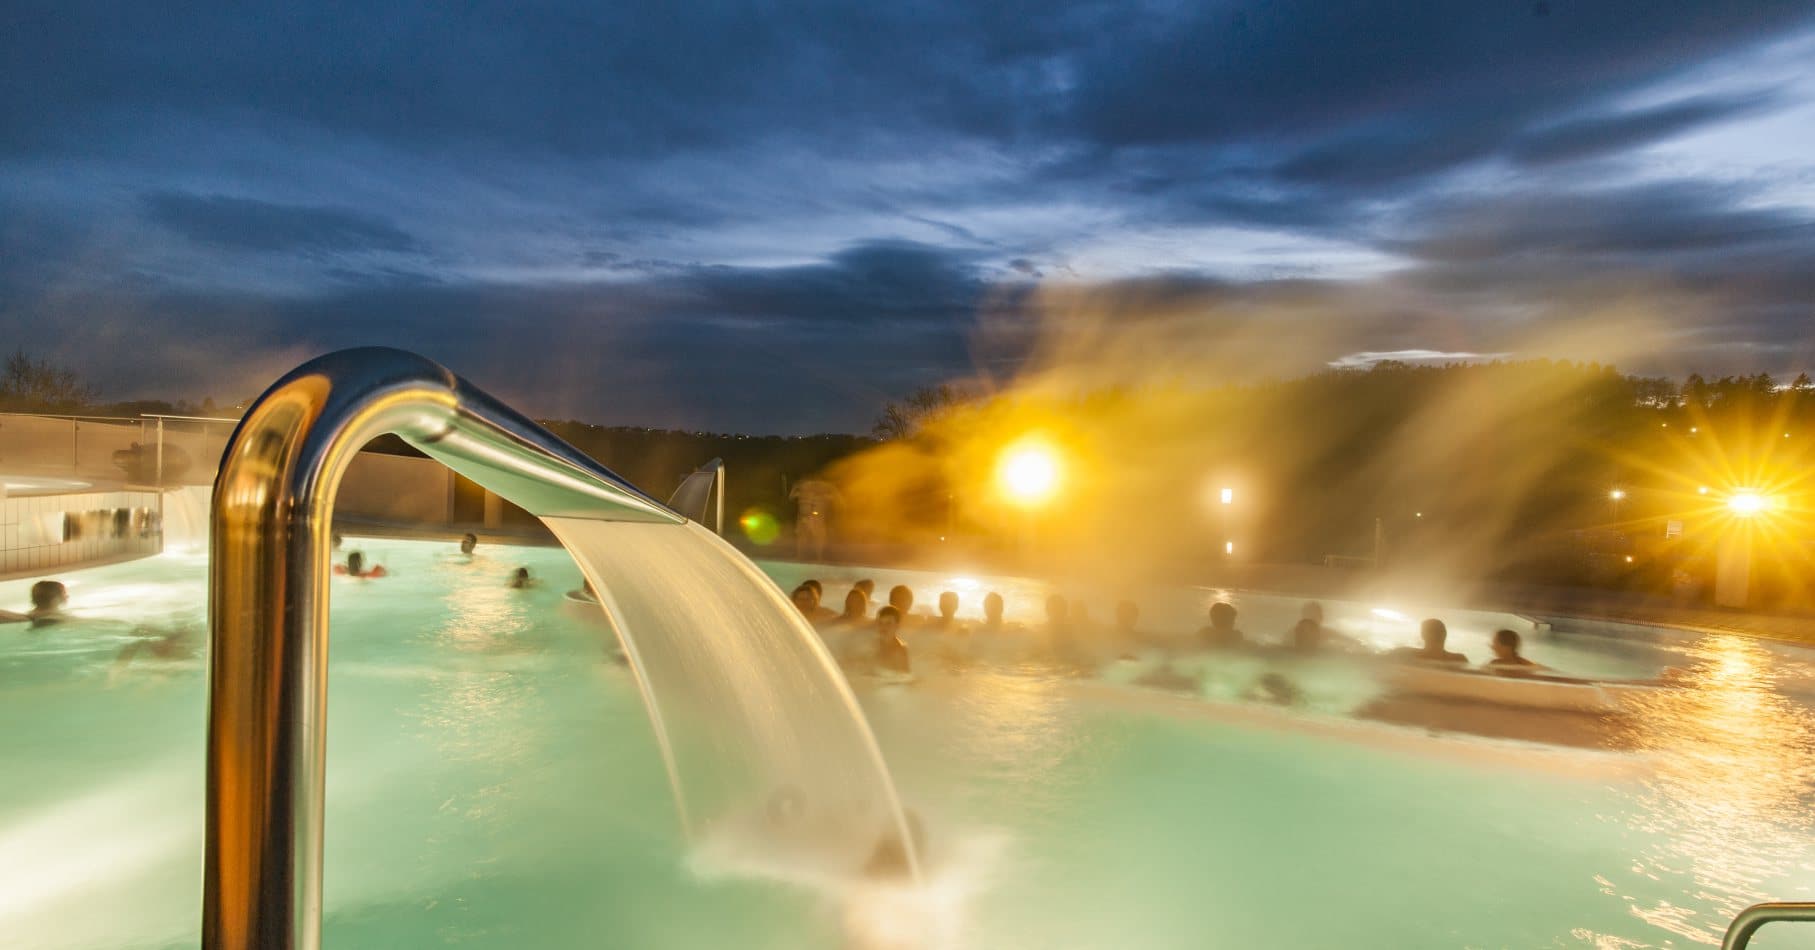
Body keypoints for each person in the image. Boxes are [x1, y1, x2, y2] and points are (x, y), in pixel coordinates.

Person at [1392, 618, 1468, 663]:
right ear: (1445, 635)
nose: (1437, 634)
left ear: (1423, 635)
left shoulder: (1407, 653)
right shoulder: (1459, 659)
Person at [874, 606, 911, 674]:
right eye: (880, 623)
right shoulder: (874, 646)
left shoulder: (900, 651)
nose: (883, 627)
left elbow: (904, 676)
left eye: (888, 623)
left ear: (897, 626)